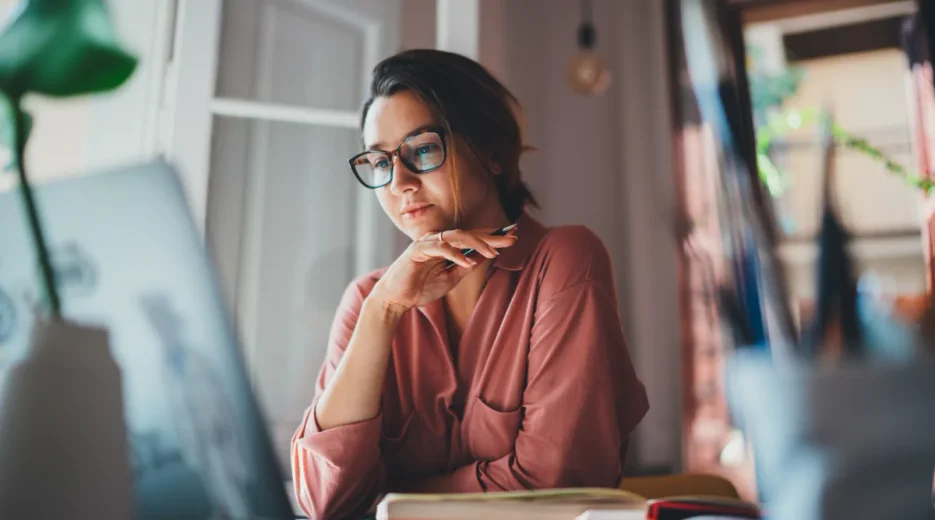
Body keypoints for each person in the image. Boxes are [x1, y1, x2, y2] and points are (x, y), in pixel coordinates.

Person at [290, 49, 649, 520]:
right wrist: (383, 312)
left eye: (421, 149)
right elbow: (323, 501)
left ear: (493, 154)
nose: (399, 182)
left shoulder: (563, 261)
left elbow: (557, 485)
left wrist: (388, 496)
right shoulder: (368, 300)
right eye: (380, 163)